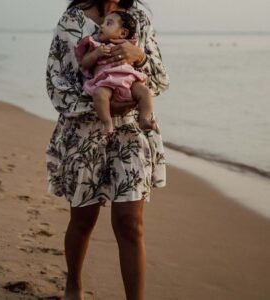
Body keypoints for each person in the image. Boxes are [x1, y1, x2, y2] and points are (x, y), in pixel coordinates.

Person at [46, 0, 169, 299]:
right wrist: (102, 106)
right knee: (83, 219)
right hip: (86, 133)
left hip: (130, 134)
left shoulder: (137, 19)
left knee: (130, 225)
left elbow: (160, 79)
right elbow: (57, 86)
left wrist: (138, 58)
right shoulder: (72, 21)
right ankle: (73, 284)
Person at [75, 10, 155, 134]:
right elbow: (84, 64)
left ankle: (144, 118)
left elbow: (158, 75)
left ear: (123, 33)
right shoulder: (96, 46)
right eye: (104, 23)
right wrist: (96, 54)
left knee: (145, 92)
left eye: (109, 23)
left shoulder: (130, 45)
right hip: (105, 82)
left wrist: (140, 56)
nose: (101, 26)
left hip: (129, 80)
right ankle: (107, 122)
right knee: (99, 94)